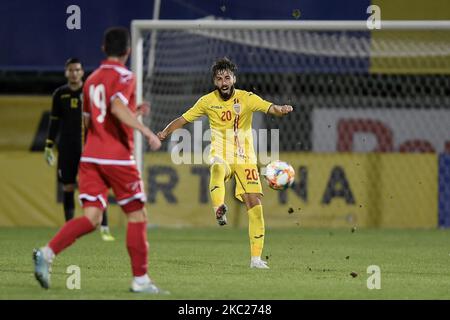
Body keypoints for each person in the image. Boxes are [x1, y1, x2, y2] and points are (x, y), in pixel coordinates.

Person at [33, 27, 166, 294]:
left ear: (104, 48)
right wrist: (146, 130)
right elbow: (115, 107)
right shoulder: (126, 75)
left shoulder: (91, 80)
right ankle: (140, 280)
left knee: (92, 218)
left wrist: (132, 113)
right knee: (137, 215)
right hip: (116, 157)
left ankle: (46, 253)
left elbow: (91, 120)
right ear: (128, 51)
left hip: (90, 156)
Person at [157, 57, 293, 269]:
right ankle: (219, 207)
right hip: (221, 153)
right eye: (219, 79)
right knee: (218, 167)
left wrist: (282, 109)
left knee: (255, 206)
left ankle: (256, 259)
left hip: (246, 159)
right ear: (214, 82)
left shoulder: (247, 98)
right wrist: (165, 132)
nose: (223, 82)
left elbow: (270, 108)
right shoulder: (207, 102)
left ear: (234, 79)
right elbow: (183, 119)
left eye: (227, 77)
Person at [45, 58, 115, 242]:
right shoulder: (59, 94)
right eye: (71, 70)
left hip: (90, 147)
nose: (74, 73)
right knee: (68, 187)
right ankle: (70, 229)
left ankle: (105, 227)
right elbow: (54, 122)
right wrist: (48, 145)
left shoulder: (90, 92)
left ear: (82, 72)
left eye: (77, 70)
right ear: (66, 72)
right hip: (67, 148)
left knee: (98, 186)